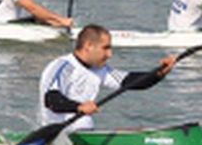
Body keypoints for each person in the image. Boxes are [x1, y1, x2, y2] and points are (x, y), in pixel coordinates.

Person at [38, 24, 178, 131]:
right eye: (105, 48)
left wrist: (160, 73)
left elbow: (131, 82)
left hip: (85, 131)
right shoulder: (63, 66)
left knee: (137, 129)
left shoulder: (100, 69)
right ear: (89, 46)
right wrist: (79, 107)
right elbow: (50, 99)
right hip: (60, 132)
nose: (110, 54)